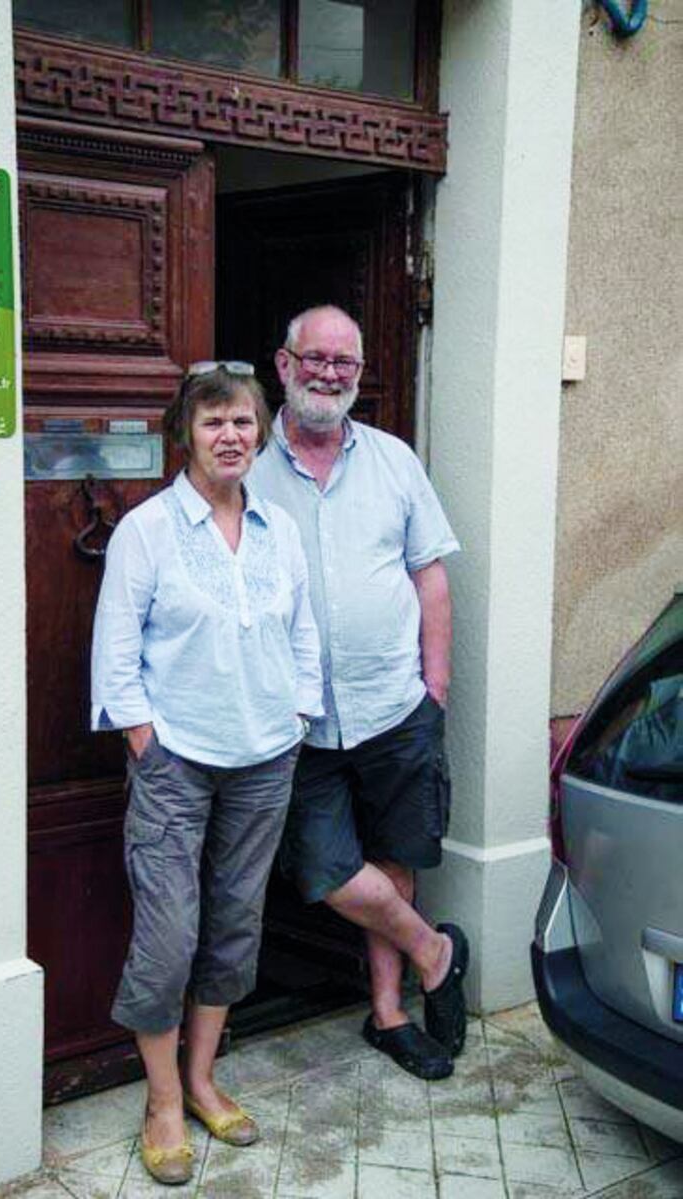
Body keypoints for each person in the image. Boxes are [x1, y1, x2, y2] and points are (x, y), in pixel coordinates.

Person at [91, 362, 322, 1185]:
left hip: (265, 757)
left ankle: (201, 1077)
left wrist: (297, 715)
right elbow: (116, 656)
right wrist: (147, 742)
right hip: (177, 763)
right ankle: (160, 1100)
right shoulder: (148, 531)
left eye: (245, 422)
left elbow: (303, 634)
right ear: (184, 433)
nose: (231, 436)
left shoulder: (279, 528)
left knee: (234, 923)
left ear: (262, 433)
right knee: (167, 936)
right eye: (215, 421)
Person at [250, 306, 469, 1082]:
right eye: (316, 358)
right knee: (320, 866)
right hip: (294, 719)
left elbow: (429, 575)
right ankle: (434, 951)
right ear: (283, 363)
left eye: (346, 361)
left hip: (393, 702)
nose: (331, 373)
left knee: (395, 856)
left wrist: (433, 686)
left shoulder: (393, 460)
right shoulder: (246, 465)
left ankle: (389, 1013)